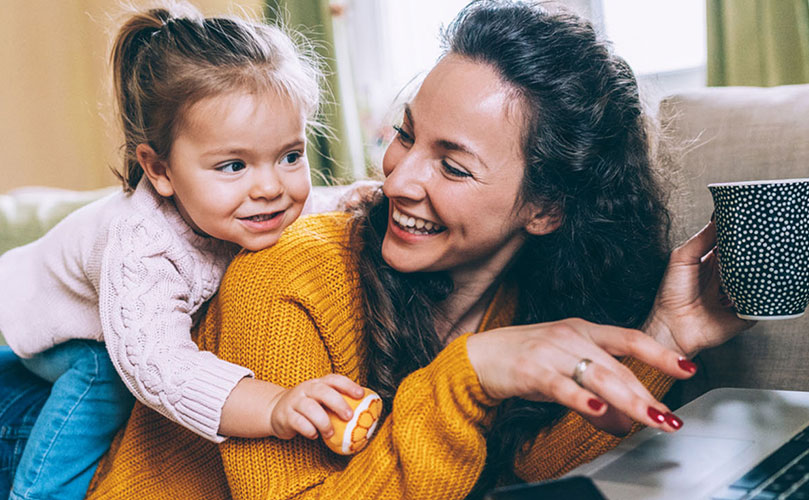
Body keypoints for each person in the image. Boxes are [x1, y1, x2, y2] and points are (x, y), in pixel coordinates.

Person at [3, 1, 751, 499]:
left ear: (545, 208)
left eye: (452, 165)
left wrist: (659, 340)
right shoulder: (281, 267)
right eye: (404, 133)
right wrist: (468, 379)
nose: (397, 176)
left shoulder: (515, 302)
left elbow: (530, 474)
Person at [0, 4, 370, 500]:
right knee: (105, 375)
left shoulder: (261, 205)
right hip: (52, 325)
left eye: (290, 156)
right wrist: (274, 405)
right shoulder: (143, 247)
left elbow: (317, 204)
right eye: (234, 165)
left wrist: (359, 200)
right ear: (160, 171)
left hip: (108, 312)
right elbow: (161, 370)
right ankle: (38, 492)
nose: (270, 188)